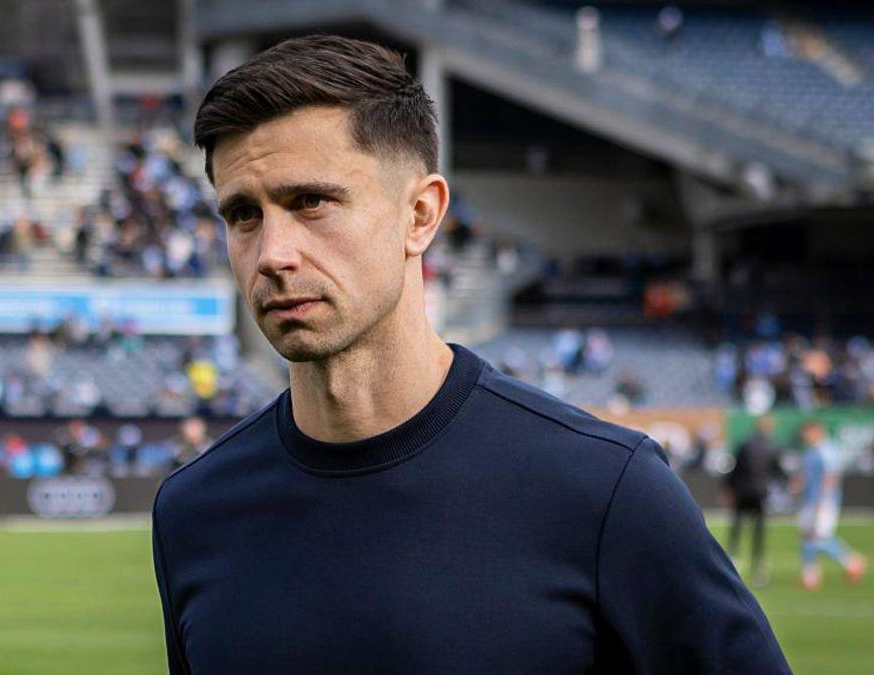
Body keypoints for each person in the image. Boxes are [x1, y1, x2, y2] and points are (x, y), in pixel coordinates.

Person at [150, 35, 789, 674]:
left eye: (310, 202)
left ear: (421, 215)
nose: (272, 254)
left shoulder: (606, 491)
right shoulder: (194, 512)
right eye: (243, 215)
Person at [794, 419, 868, 590]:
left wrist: (823, 501)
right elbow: (808, 476)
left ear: (816, 431)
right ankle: (811, 576)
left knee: (819, 537)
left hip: (822, 502)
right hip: (809, 500)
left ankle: (851, 561)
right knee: (807, 536)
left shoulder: (827, 451)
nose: (805, 437)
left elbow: (830, 478)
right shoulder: (810, 452)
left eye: (807, 433)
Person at [725, 414, 786, 587]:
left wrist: (730, 489)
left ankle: (732, 564)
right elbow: (779, 472)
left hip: (743, 492)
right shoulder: (773, 447)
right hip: (760, 494)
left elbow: (734, 470)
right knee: (758, 534)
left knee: (736, 530)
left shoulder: (745, 445)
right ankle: (758, 571)